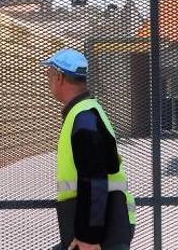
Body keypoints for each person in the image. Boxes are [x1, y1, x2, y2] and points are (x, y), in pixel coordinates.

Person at [43, 48, 136, 250]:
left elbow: (94, 177)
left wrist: (88, 237)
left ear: (59, 77)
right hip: (106, 222)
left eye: (48, 74)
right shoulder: (86, 112)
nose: (48, 80)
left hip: (103, 228)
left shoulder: (84, 118)